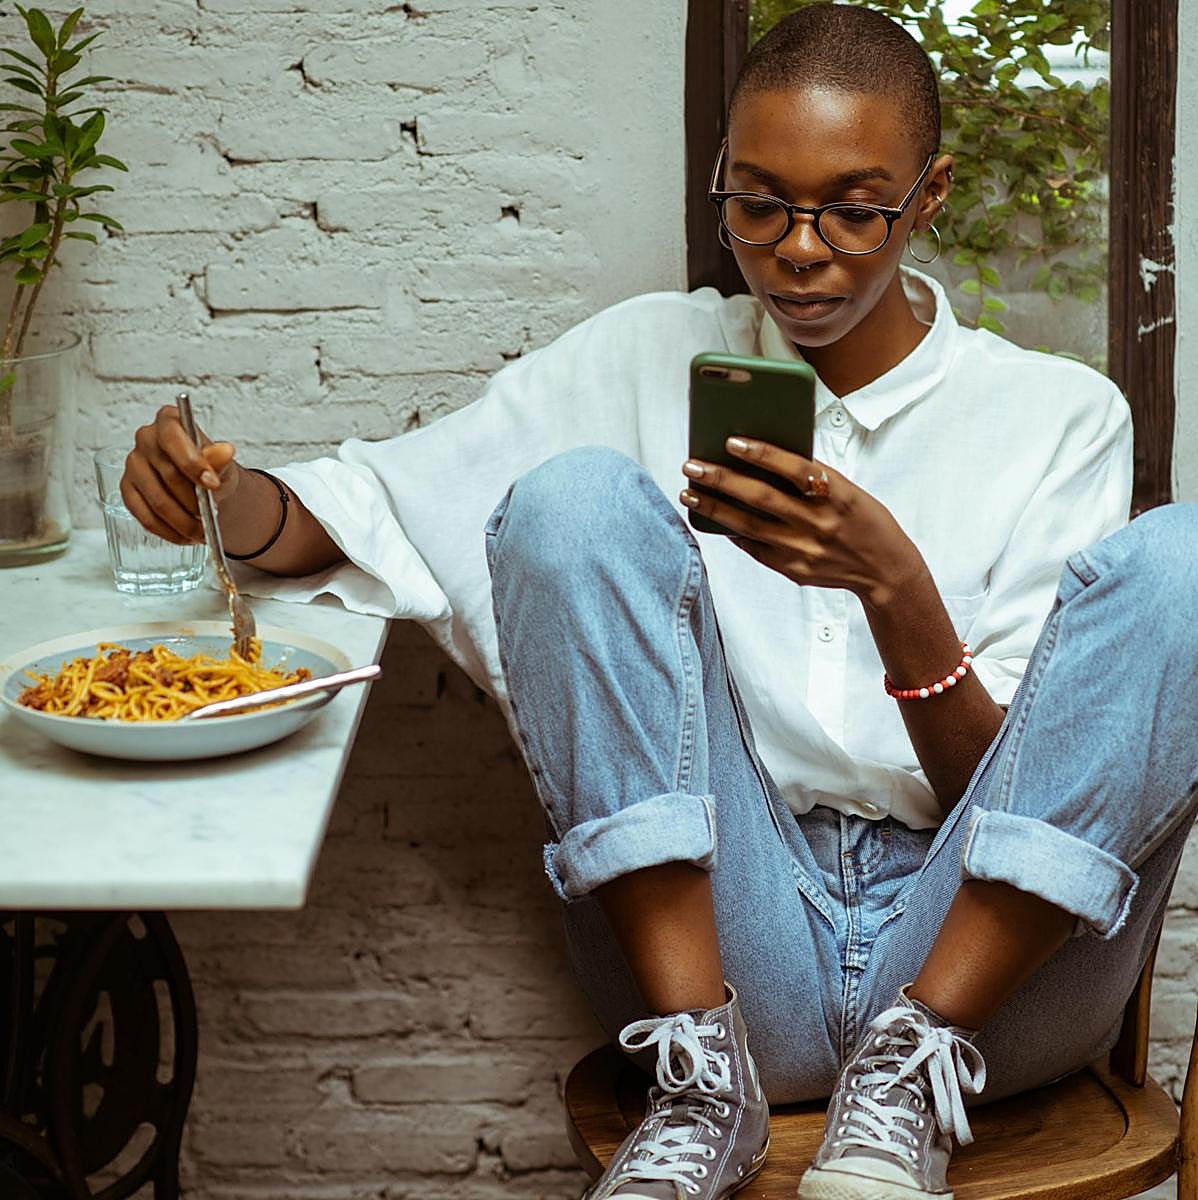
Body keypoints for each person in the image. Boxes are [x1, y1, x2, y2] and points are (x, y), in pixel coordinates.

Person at [121, 5, 1198, 1199]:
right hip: (735, 964)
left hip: (987, 991)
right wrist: (224, 496)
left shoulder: (1056, 415)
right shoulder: (642, 358)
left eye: (854, 206)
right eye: (756, 202)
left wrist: (893, 591)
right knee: (570, 500)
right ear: (720, 187)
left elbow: (1016, 800)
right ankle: (700, 1088)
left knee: (1189, 564)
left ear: (929, 194)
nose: (798, 248)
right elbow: (370, 503)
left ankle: (905, 1072)